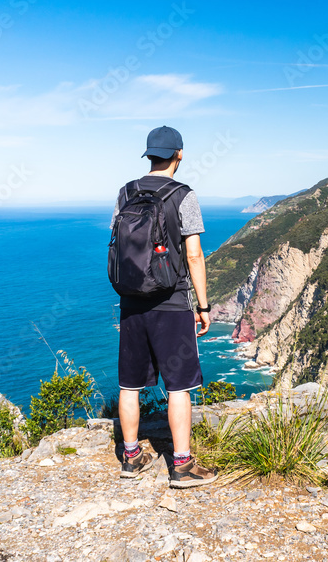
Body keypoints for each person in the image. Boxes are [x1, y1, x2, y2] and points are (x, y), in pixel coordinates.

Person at [110, 125, 217, 488]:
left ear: (149, 155)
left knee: (130, 385)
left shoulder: (125, 192)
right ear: (179, 154)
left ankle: (130, 456)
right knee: (178, 386)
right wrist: (203, 306)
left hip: (131, 301)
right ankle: (182, 465)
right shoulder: (183, 195)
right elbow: (194, 254)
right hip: (172, 303)